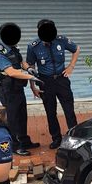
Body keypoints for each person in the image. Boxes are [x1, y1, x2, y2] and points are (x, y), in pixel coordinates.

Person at [26, 19, 80, 149]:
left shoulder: (61, 40)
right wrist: (33, 87)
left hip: (62, 80)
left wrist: (71, 67)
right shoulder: (33, 46)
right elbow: (31, 66)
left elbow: (76, 49)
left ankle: (74, 137)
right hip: (45, 81)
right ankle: (56, 138)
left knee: (69, 110)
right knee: (50, 112)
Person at [0, 22, 41, 157]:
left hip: (18, 87)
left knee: (22, 116)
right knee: (13, 119)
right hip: (7, 89)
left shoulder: (12, 48)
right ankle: (15, 146)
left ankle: (24, 140)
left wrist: (28, 68)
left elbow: (20, 62)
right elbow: (11, 72)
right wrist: (31, 76)